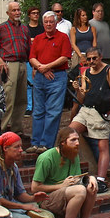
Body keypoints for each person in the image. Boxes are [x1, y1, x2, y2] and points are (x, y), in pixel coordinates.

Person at [30, 127, 100, 218]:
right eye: (73, 140)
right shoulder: (46, 158)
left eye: (77, 139)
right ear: (63, 143)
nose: (77, 143)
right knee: (80, 191)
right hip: (47, 200)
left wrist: (91, 178)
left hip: (66, 194)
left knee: (91, 187)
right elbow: (34, 188)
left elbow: (77, 178)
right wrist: (61, 186)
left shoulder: (73, 155)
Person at [69, 47, 110, 192]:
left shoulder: (108, 70)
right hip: (86, 110)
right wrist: (78, 89)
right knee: (69, 133)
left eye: (94, 58)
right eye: (89, 59)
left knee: (102, 145)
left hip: (101, 110)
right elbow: (81, 98)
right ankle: (71, 173)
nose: (91, 61)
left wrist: (107, 114)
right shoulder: (85, 72)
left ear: (100, 57)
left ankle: (101, 180)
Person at [29, 10, 73, 151]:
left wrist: (46, 67)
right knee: (38, 111)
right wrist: (41, 68)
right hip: (40, 78)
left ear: (55, 23)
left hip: (57, 77)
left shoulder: (62, 37)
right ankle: (35, 143)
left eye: (51, 22)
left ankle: (46, 144)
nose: (48, 24)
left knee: (53, 112)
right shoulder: (38, 38)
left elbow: (65, 57)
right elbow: (31, 58)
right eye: (46, 22)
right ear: (43, 23)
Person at [0, 0, 29, 134]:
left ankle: (17, 130)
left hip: (23, 64)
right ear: (8, 13)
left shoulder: (24, 28)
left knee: (21, 100)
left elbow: (29, 49)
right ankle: (1, 130)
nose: (17, 12)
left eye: (18, 10)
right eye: (14, 10)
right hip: (9, 65)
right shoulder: (1, 28)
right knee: (8, 99)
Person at [24, 6, 44, 115]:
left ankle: (38, 106)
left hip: (41, 59)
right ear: (29, 15)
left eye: (37, 13)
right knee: (29, 83)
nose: (35, 15)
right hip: (29, 58)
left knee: (39, 82)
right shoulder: (26, 29)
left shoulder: (42, 29)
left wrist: (33, 41)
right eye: (33, 13)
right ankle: (29, 106)